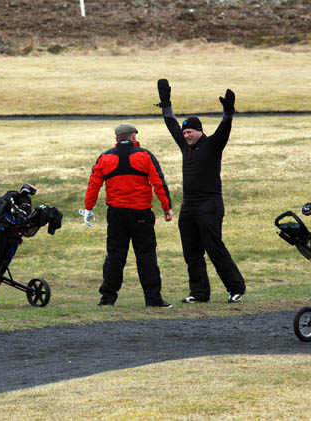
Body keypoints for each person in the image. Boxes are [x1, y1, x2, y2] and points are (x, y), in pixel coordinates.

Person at [156, 79, 246, 303]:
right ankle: (199, 293)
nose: (186, 135)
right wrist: (166, 104)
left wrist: (228, 113)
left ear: (200, 131)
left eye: (190, 132)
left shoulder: (213, 144)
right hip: (189, 205)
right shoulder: (185, 145)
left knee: (214, 248)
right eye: (185, 132)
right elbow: (172, 125)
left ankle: (236, 288)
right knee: (192, 252)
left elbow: (224, 129)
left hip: (210, 204)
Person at [82, 123, 174, 308]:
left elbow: (94, 184)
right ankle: (153, 298)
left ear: (116, 139)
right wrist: (166, 207)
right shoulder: (144, 155)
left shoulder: (105, 157)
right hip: (140, 213)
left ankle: (107, 298)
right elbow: (158, 181)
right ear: (133, 137)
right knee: (146, 255)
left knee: (115, 255)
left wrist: (88, 208)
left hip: (116, 213)